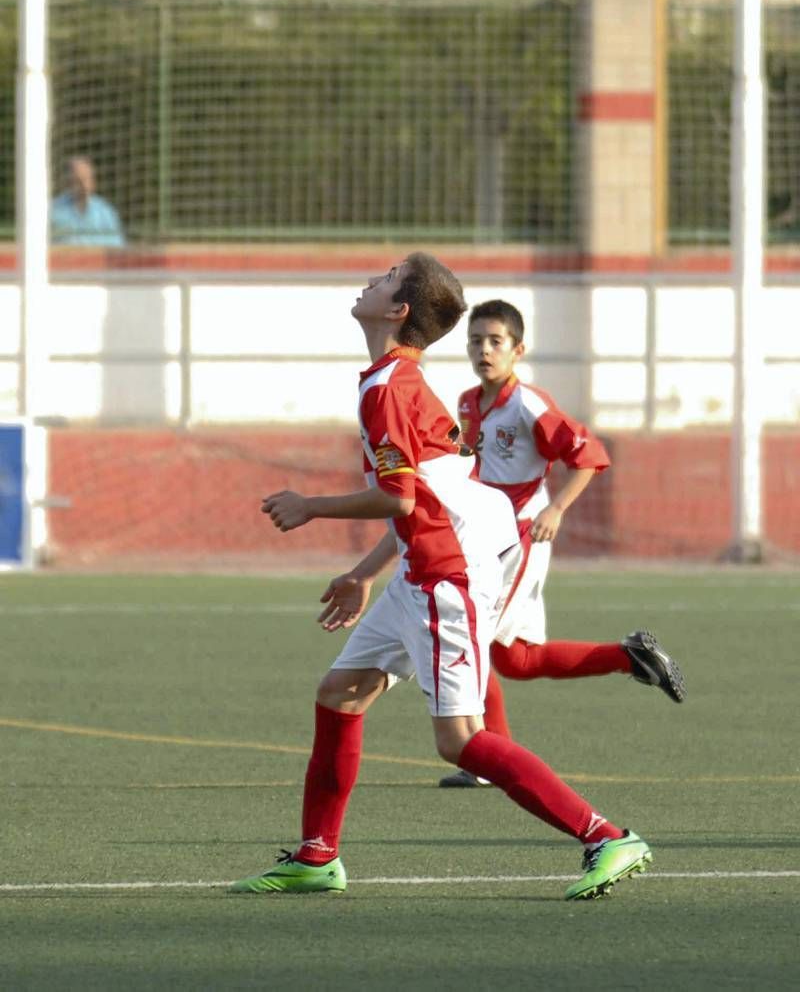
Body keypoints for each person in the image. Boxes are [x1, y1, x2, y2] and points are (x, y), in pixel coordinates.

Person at [230, 253, 653, 902]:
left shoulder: (390, 390)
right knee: (340, 690)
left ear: (397, 309)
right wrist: (366, 572)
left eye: (385, 278)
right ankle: (317, 857)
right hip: (425, 567)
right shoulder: (396, 381)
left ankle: (605, 835)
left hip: (446, 577)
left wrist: (311, 505)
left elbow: (401, 500)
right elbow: (433, 496)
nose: (370, 280)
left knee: (460, 740)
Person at [441, 298, 685, 789]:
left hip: (521, 537)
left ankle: (491, 758)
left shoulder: (527, 403)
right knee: (518, 659)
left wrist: (555, 510)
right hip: (488, 537)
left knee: (473, 638)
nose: (484, 350)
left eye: (495, 342)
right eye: (475, 341)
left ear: (517, 349)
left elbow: (589, 456)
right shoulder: (469, 402)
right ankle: (630, 656)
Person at [51, 155, 126, 247]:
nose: (83, 185)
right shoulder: (53, 210)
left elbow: (117, 246)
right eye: (78, 180)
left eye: (86, 179)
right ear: (68, 181)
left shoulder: (105, 211)